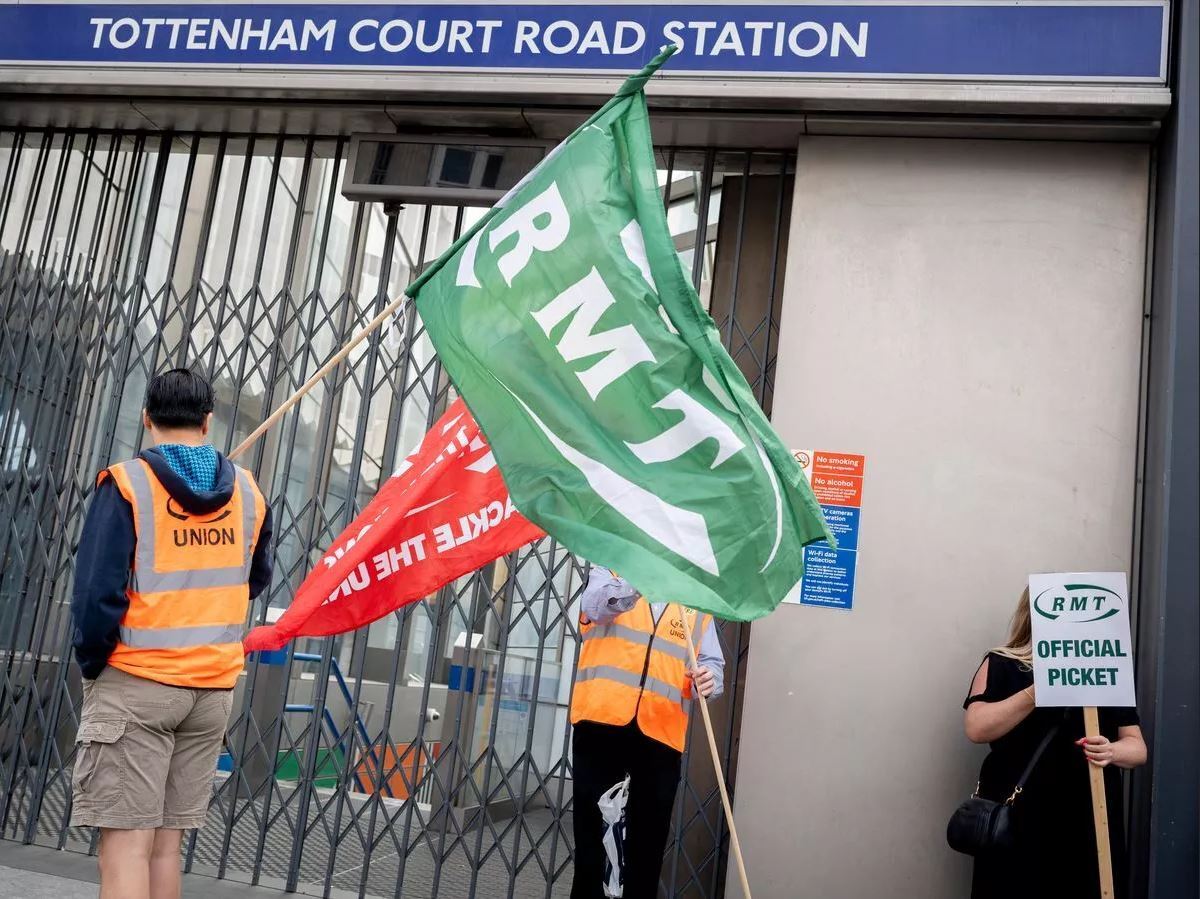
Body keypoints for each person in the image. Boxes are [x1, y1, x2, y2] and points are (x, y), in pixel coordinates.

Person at [70, 369, 273, 899]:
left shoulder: (127, 484)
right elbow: (254, 580)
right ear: (208, 422)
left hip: (138, 682)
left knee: (125, 846)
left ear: (147, 418)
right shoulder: (248, 492)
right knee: (165, 846)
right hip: (210, 692)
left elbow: (97, 594)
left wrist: (95, 664)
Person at [963, 587, 1147, 899]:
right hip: (1020, 815)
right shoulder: (1003, 663)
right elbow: (977, 728)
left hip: (1086, 818)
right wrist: (1039, 690)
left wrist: (1112, 751)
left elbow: (1137, 749)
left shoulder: (1104, 670)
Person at [569, 565, 725, 899]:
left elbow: (712, 662)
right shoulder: (609, 567)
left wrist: (709, 680)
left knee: (647, 849)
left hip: (660, 735)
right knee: (593, 846)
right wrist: (643, 575)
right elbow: (594, 606)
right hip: (602, 725)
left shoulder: (694, 596)